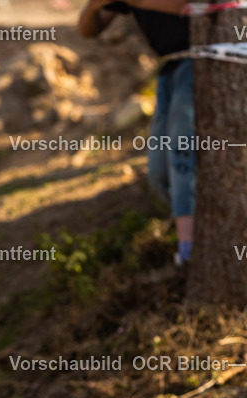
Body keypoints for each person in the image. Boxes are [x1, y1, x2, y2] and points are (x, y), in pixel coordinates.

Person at [78, 0, 194, 264]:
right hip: (169, 70)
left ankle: (191, 248)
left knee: (182, 153)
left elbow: (187, 6)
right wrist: (93, 6)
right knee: (158, 172)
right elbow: (87, 30)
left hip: (200, 61)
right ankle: (181, 235)